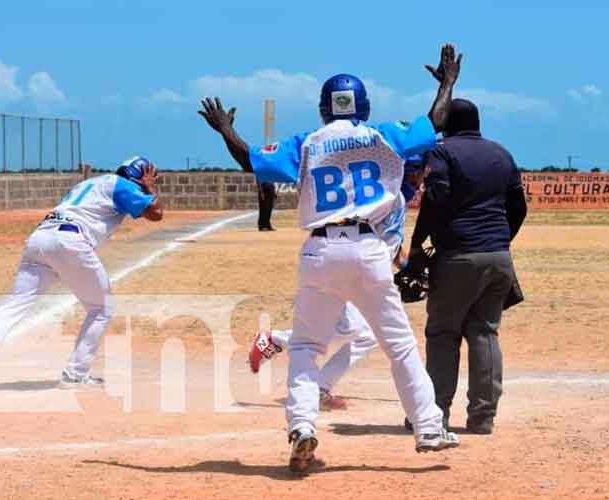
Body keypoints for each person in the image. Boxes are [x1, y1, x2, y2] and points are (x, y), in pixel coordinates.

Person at [199, 43, 463, 474]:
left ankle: (302, 425)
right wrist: (448, 82)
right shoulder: (383, 135)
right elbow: (434, 123)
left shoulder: (306, 143)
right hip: (370, 248)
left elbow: (251, 160)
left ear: (325, 109)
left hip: (320, 251)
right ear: (364, 105)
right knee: (398, 345)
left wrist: (225, 129)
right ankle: (429, 427)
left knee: (305, 345)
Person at [0, 156, 163, 396]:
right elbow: (156, 213)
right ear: (138, 175)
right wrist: (150, 187)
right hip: (70, 241)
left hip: (40, 238)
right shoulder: (122, 185)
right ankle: (75, 374)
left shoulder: (89, 184)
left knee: (11, 308)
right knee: (102, 308)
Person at [248, 155, 429, 412]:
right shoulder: (386, 199)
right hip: (350, 270)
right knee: (353, 332)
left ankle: (316, 382)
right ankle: (277, 343)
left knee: (362, 334)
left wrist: (413, 270)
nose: (424, 179)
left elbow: (391, 245)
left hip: (363, 273)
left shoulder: (392, 197)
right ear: (411, 172)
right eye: (422, 172)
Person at [409, 98, 527, 434]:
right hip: (499, 257)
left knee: (443, 333)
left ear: (447, 122)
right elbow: (518, 206)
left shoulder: (442, 151)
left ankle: (436, 414)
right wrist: (501, 239)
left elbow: (434, 199)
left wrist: (419, 245)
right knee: (485, 332)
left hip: (458, 255)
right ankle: (483, 416)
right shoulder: (501, 153)